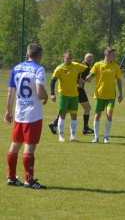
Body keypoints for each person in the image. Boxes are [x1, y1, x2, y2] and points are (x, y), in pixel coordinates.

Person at [4, 43, 48, 189]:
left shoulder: (16, 68)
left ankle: (11, 177)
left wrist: (8, 111)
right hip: (32, 114)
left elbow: (11, 92)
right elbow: (40, 92)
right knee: (29, 146)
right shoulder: (39, 69)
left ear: (27, 54)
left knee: (15, 143)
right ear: (39, 56)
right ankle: (29, 180)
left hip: (19, 113)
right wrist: (46, 96)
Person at [49, 53, 95, 135]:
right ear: (89, 59)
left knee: (66, 109)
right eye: (92, 58)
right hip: (77, 90)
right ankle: (85, 128)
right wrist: (79, 82)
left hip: (76, 89)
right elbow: (77, 75)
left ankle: (54, 124)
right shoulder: (84, 66)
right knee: (87, 107)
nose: (93, 60)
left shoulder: (80, 65)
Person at [86, 47, 123, 144]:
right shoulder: (97, 65)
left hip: (111, 96)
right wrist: (85, 79)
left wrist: (121, 93)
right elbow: (90, 76)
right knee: (97, 115)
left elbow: (119, 79)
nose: (114, 56)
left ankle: (106, 137)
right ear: (106, 54)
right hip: (99, 95)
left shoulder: (116, 66)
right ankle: (96, 137)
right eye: (113, 54)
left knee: (109, 115)